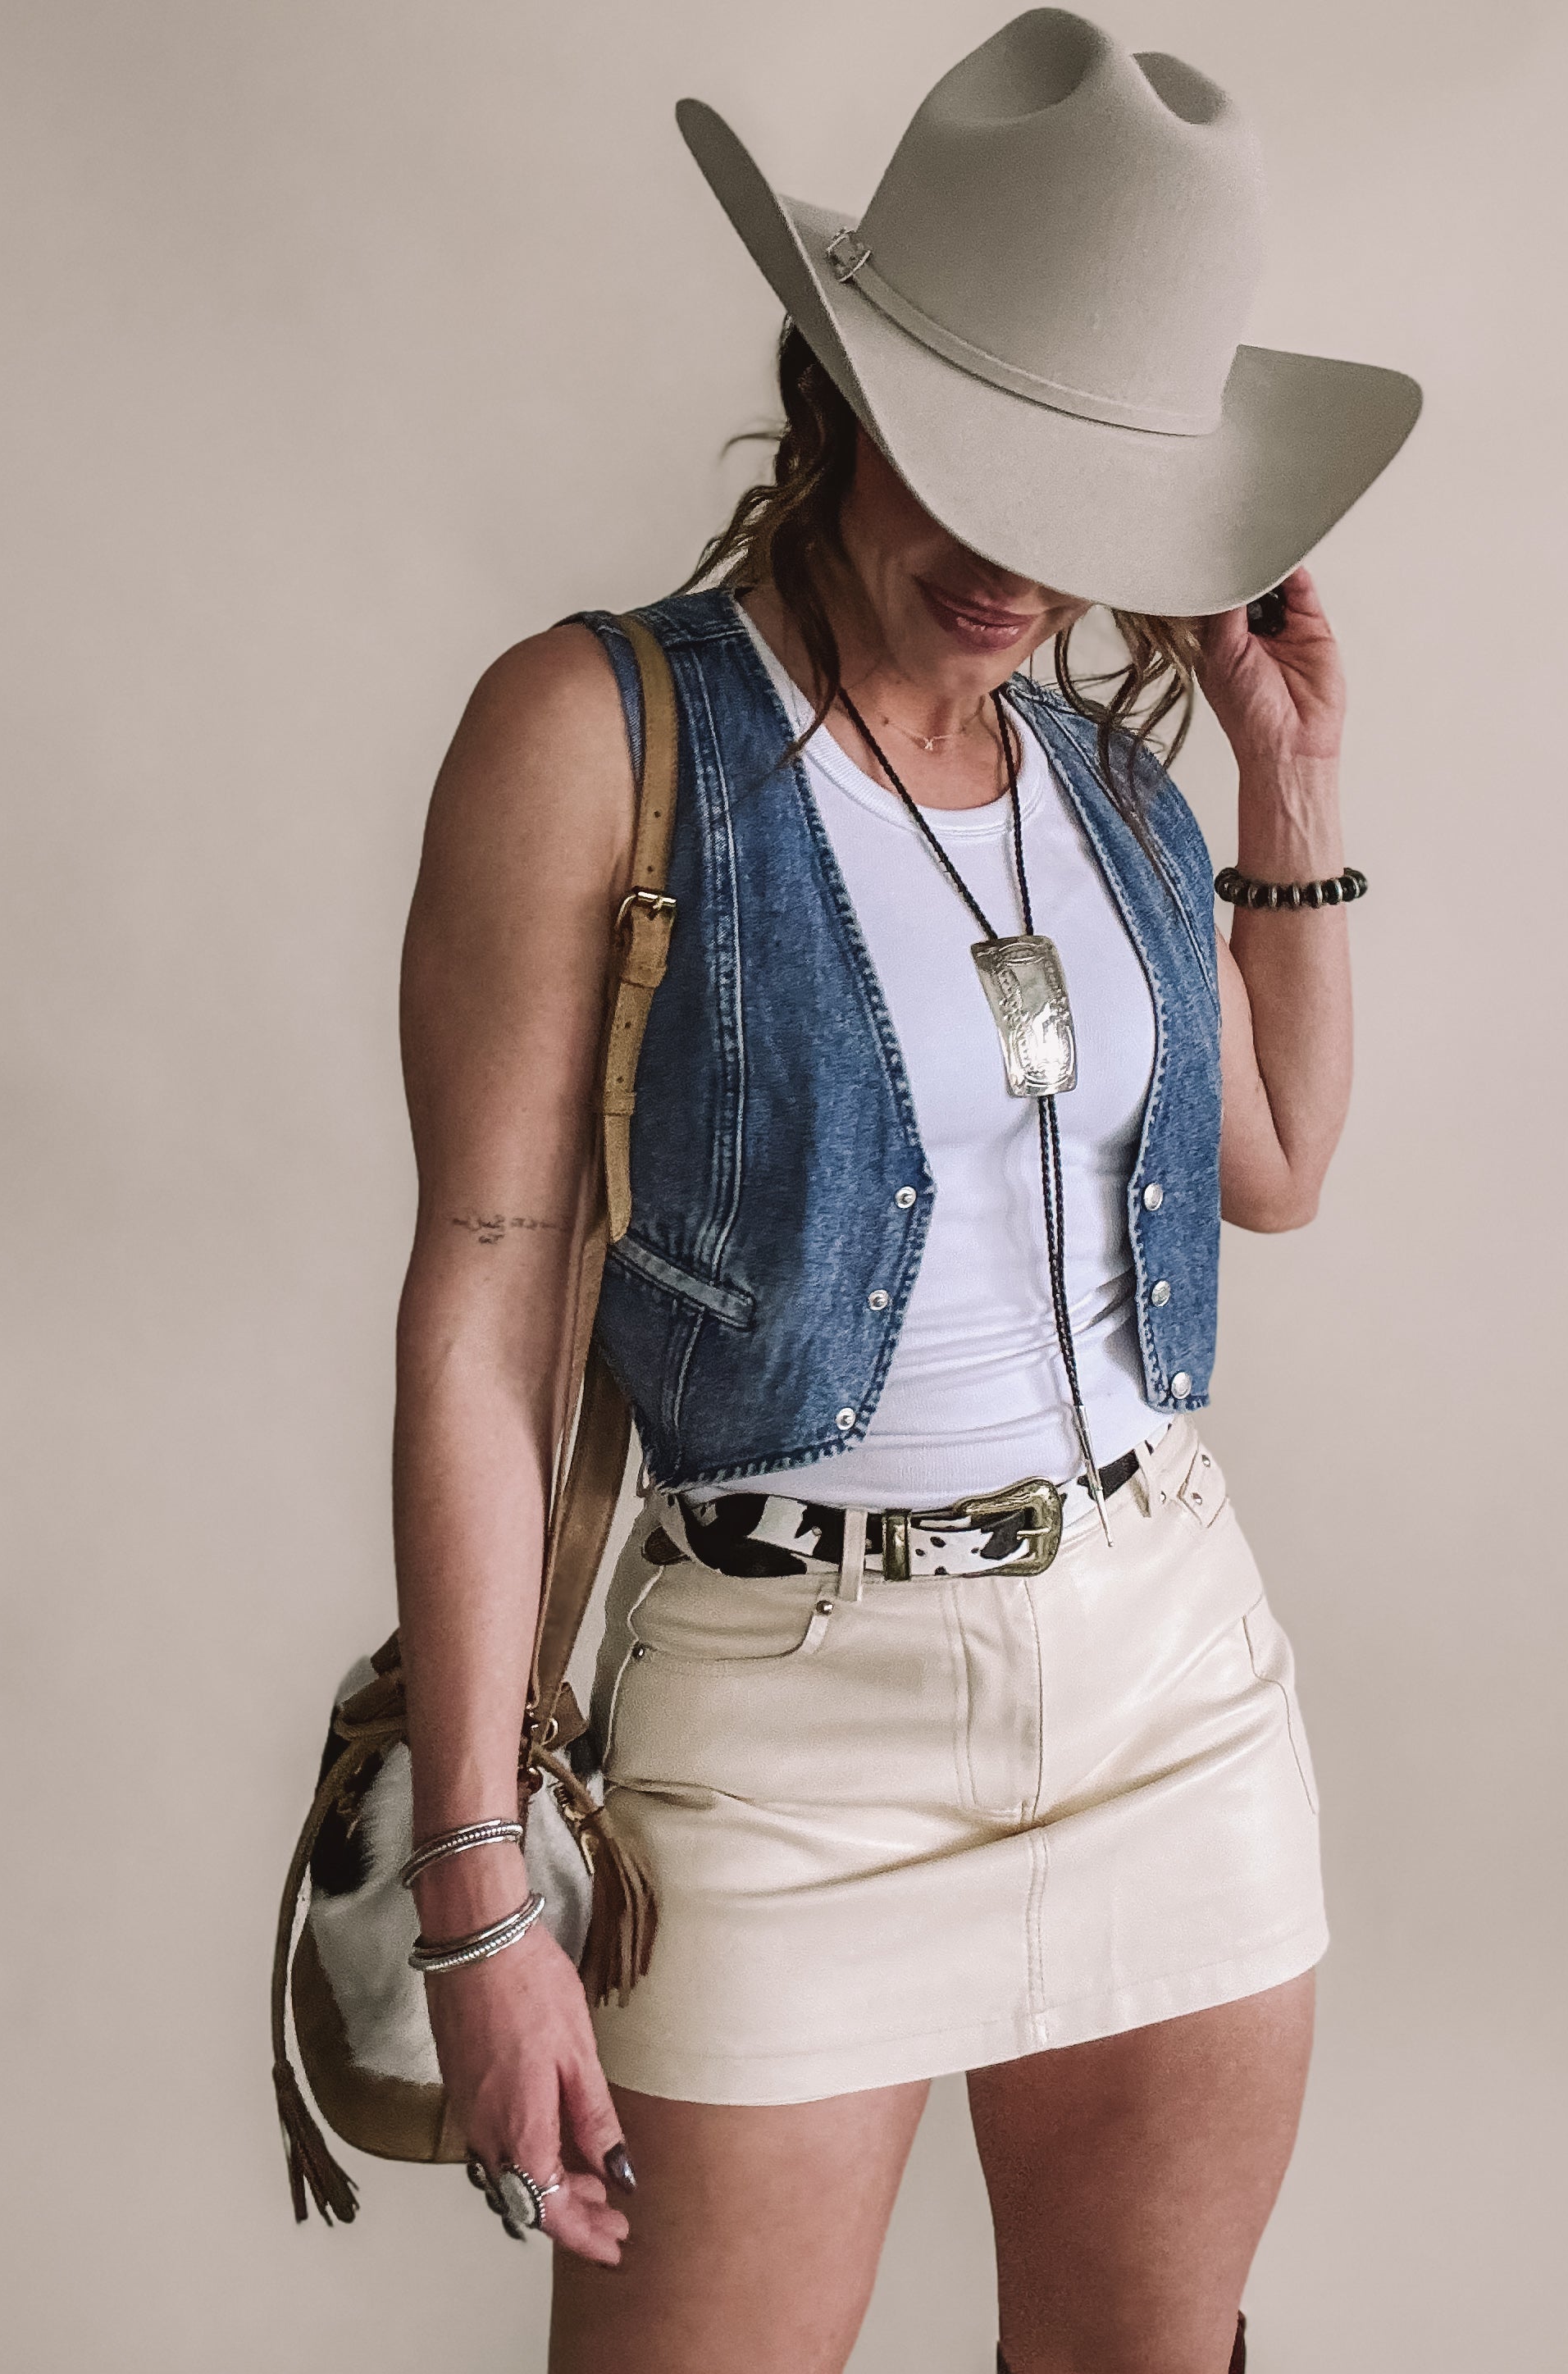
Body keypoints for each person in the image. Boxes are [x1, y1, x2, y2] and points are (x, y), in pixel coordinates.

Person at [390, 15, 1419, 2372]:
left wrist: (1286, 783)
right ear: (839, 386)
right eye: (976, 460)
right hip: (782, 1733)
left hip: (1172, 1689)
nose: (1019, 562)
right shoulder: (597, 732)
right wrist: (476, 1888)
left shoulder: (1106, 784)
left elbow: (1273, 1170)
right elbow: (481, 1304)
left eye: (1093, 503)